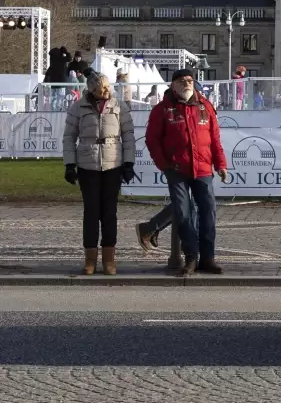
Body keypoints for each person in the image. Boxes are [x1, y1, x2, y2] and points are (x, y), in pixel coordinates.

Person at [145, 69, 228, 276]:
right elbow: (152, 140)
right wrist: (164, 164)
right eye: (182, 81)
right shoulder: (162, 109)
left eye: (190, 80)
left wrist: (221, 165)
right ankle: (191, 256)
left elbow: (215, 140)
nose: (187, 84)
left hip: (203, 169)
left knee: (208, 212)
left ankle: (208, 257)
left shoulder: (205, 106)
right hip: (176, 170)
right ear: (173, 85)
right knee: (183, 213)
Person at [62, 72, 136, 275]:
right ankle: (90, 258)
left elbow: (128, 135)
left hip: (113, 164)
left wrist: (129, 162)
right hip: (88, 164)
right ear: (92, 90)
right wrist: (69, 165)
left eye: (107, 87)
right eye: (101, 89)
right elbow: (69, 137)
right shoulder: (78, 107)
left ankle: (109, 258)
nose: (106, 92)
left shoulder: (119, 106)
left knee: (109, 213)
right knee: (91, 212)